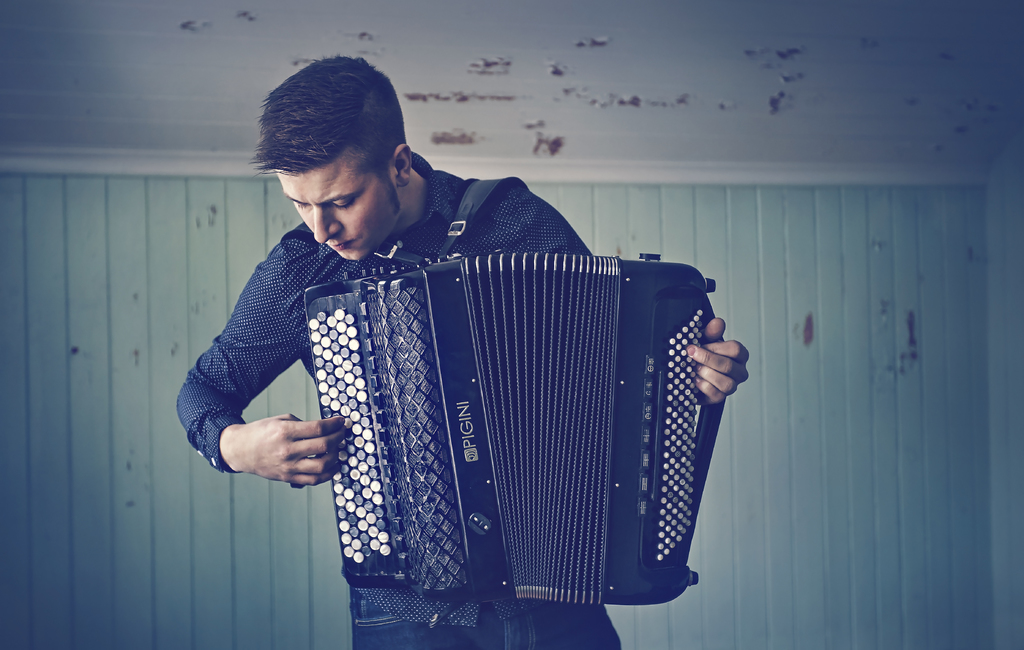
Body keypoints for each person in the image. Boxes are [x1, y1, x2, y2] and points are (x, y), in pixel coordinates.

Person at [178, 56, 750, 650]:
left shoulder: (514, 224)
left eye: (340, 201)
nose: (320, 228)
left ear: (399, 164)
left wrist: (690, 381)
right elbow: (203, 391)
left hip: (551, 594)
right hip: (401, 612)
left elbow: (617, 382)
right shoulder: (303, 267)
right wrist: (234, 447)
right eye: (300, 204)